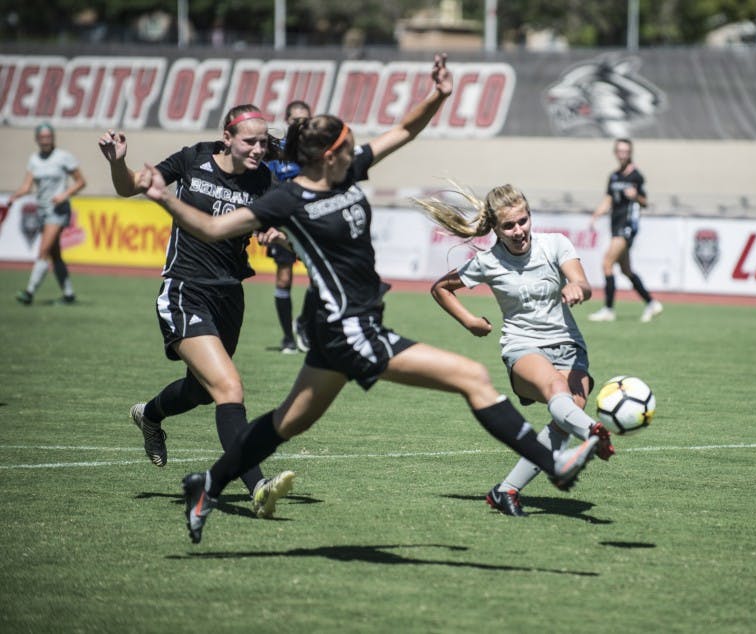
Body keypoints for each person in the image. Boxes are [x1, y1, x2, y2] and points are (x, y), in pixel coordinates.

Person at [136, 54, 599, 544]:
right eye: (348, 141)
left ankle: (205, 485)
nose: (359, 147)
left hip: (342, 329)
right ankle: (555, 463)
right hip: (350, 329)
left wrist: (438, 95)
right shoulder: (287, 197)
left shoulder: (345, 172)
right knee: (473, 376)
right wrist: (164, 197)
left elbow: (403, 130)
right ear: (328, 154)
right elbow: (210, 227)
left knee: (284, 424)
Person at [98, 104, 295, 519]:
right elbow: (129, 186)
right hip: (185, 290)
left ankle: (149, 415)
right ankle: (258, 486)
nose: (259, 148)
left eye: (263, 142)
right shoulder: (193, 158)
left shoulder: (264, 179)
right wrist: (120, 164)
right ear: (227, 138)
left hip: (229, 295)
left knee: (203, 390)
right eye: (250, 141)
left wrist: (276, 234)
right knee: (229, 388)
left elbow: (266, 228)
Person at [419, 184, 615, 518]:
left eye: (523, 221)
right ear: (495, 228)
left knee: (564, 416)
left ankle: (505, 490)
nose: (518, 230)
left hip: (569, 347)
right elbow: (441, 288)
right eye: (509, 225)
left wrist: (575, 287)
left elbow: (583, 284)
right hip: (523, 347)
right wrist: (469, 322)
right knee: (558, 390)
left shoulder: (555, 244)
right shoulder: (488, 261)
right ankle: (593, 433)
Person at [262, 99, 317, 354]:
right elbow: (263, 185)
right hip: (281, 225)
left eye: (304, 120)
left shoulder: (315, 152)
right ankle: (287, 337)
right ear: (287, 121)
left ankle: (304, 322)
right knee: (284, 279)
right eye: (295, 120)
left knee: (319, 279)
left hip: (309, 224)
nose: (300, 124)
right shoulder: (275, 152)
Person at [587, 138, 663, 323]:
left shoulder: (636, 175)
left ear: (630, 153)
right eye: (620, 151)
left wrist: (635, 196)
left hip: (627, 226)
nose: (623, 155)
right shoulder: (613, 176)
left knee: (607, 264)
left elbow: (645, 202)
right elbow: (608, 199)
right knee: (626, 270)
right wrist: (596, 215)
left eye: (626, 151)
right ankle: (652, 303)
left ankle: (608, 309)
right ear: (615, 153)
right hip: (615, 225)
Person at [13, 123, 86, 305]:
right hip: (43, 211)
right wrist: (13, 198)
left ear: (53, 138)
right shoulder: (34, 160)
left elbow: (81, 182)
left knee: (43, 251)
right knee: (55, 255)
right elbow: (26, 186)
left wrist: (64, 195)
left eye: (48, 136)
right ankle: (68, 295)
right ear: (37, 139)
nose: (46, 140)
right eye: (42, 137)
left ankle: (29, 292)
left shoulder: (63, 157)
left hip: (58, 211)